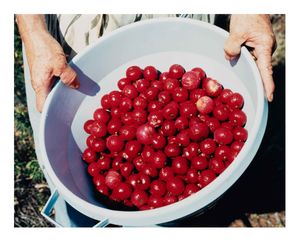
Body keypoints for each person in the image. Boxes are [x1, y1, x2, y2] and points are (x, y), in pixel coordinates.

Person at [16, 14, 277, 227]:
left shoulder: (164, 124)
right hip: (73, 28)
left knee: (184, 211)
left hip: (179, 15)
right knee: (74, 207)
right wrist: (34, 35)